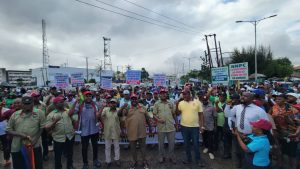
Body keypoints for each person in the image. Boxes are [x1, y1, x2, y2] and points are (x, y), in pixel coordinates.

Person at [224, 92, 269, 168]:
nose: (242, 97)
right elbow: (228, 114)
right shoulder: (237, 107)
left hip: (251, 137)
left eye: (245, 96)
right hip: (238, 134)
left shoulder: (259, 110)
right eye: (242, 95)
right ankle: (237, 166)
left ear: (252, 99)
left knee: (247, 154)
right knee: (236, 152)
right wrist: (228, 105)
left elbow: (266, 124)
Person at [6, 96, 46, 169]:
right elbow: (8, 130)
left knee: (37, 165)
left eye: (29, 103)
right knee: (19, 166)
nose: (27, 106)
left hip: (34, 145)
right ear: (21, 104)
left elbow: (42, 128)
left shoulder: (39, 113)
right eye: (25, 104)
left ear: (33, 104)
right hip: (17, 146)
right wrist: (21, 134)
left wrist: (35, 140)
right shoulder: (15, 114)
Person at [70, 91, 101, 169]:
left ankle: (95, 160)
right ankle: (85, 163)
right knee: (84, 147)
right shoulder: (80, 105)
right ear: (84, 97)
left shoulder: (95, 105)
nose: (88, 97)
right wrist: (75, 102)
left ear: (91, 97)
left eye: (90, 96)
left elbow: (98, 115)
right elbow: (72, 112)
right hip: (84, 130)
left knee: (95, 146)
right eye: (86, 96)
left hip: (94, 129)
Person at [119, 94, 150, 169]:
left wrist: (150, 127)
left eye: (135, 99)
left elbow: (147, 117)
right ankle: (134, 162)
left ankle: (144, 162)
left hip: (142, 132)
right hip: (132, 132)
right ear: (131, 100)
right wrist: (123, 107)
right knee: (133, 149)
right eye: (132, 99)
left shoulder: (142, 107)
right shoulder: (127, 108)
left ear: (137, 100)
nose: (134, 100)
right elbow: (119, 114)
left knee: (143, 148)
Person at [269, 94, 299, 169]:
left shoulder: (291, 109)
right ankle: (280, 165)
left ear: (285, 100)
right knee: (280, 151)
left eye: (279, 99)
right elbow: (269, 117)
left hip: (291, 134)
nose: (277, 101)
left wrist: (297, 133)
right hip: (278, 133)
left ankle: (293, 167)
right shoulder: (273, 108)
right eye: (276, 99)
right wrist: (273, 128)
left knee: (292, 153)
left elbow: (298, 123)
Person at [176, 89, 205, 167]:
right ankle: (188, 159)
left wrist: (202, 126)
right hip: (184, 127)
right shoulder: (181, 103)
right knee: (186, 144)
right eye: (183, 94)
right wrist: (176, 104)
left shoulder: (197, 102)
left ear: (190, 94)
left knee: (196, 144)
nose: (184, 96)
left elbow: (201, 115)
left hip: (195, 127)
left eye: (185, 94)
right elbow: (177, 113)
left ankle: (198, 160)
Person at [45, 96, 75, 169]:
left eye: (63, 101)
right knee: (58, 155)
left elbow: (73, 118)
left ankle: (70, 166)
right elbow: (46, 128)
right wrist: (55, 121)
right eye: (61, 101)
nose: (63, 103)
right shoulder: (51, 114)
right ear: (55, 104)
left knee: (70, 153)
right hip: (58, 138)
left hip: (69, 136)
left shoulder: (67, 111)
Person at [153, 89, 178, 163]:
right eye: (162, 93)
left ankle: (171, 156)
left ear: (167, 94)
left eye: (165, 93)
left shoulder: (171, 103)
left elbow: (174, 114)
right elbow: (154, 115)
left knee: (172, 144)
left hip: (171, 127)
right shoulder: (157, 104)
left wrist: (176, 123)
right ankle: (161, 156)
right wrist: (158, 120)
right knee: (161, 144)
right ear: (159, 95)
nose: (163, 95)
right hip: (161, 127)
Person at [100, 99, 122, 167]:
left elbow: (121, 120)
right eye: (111, 103)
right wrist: (102, 107)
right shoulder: (105, 110)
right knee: (107, 147)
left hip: (116, 131)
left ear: (116, 104)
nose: (113, 104)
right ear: (109, 104)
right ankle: (108, 161)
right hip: (107, 132)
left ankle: (117, 159)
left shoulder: (119, 110)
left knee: (117, 147)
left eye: (114, 103)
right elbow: (100, 116)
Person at [201, 95, 217, 160]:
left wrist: (215, 126)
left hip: (210, 125)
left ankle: (211, 152)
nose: (204, 101)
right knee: (204, 138)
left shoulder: (212, 107)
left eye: (205, 100)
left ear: (207, 100)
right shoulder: (200, 106)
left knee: (210, 139)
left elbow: (215, 117)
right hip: (203, 126)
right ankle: (206, 147)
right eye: (203, 100)